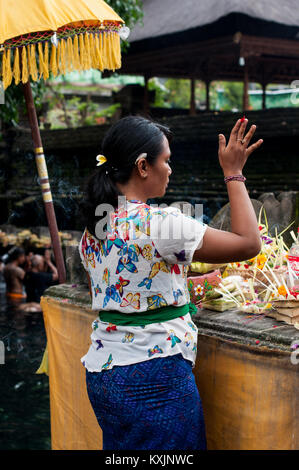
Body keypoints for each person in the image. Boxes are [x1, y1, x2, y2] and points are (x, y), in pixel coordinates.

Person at [78, 116, 263, 450]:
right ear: (143, 166)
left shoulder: (94, 229)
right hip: (154, 377)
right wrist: (233, 172)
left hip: (104, 374)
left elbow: (130, 291)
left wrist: (192, 282)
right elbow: (249, 243)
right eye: (166, 160)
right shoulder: (163, 224)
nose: (170, 169)